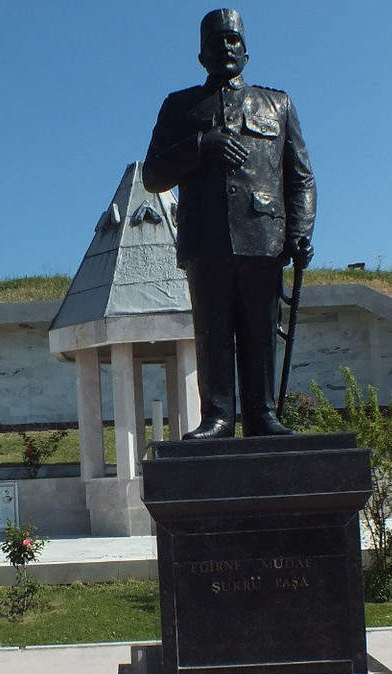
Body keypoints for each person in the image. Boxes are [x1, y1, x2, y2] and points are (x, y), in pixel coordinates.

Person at [143, 8, 316, 439]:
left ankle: (263, 415)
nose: (225, 48)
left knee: (261, 332)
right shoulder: (180, 106)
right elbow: (153, 176)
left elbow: (300, 177)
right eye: (215, 42)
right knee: (213, 333)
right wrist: (200, 145)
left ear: (246, 51)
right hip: (207, 239)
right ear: (200, 55)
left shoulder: (278, 104)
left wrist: (299, 232)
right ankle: (218, 416)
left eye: (233, 40)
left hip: (264, 238)